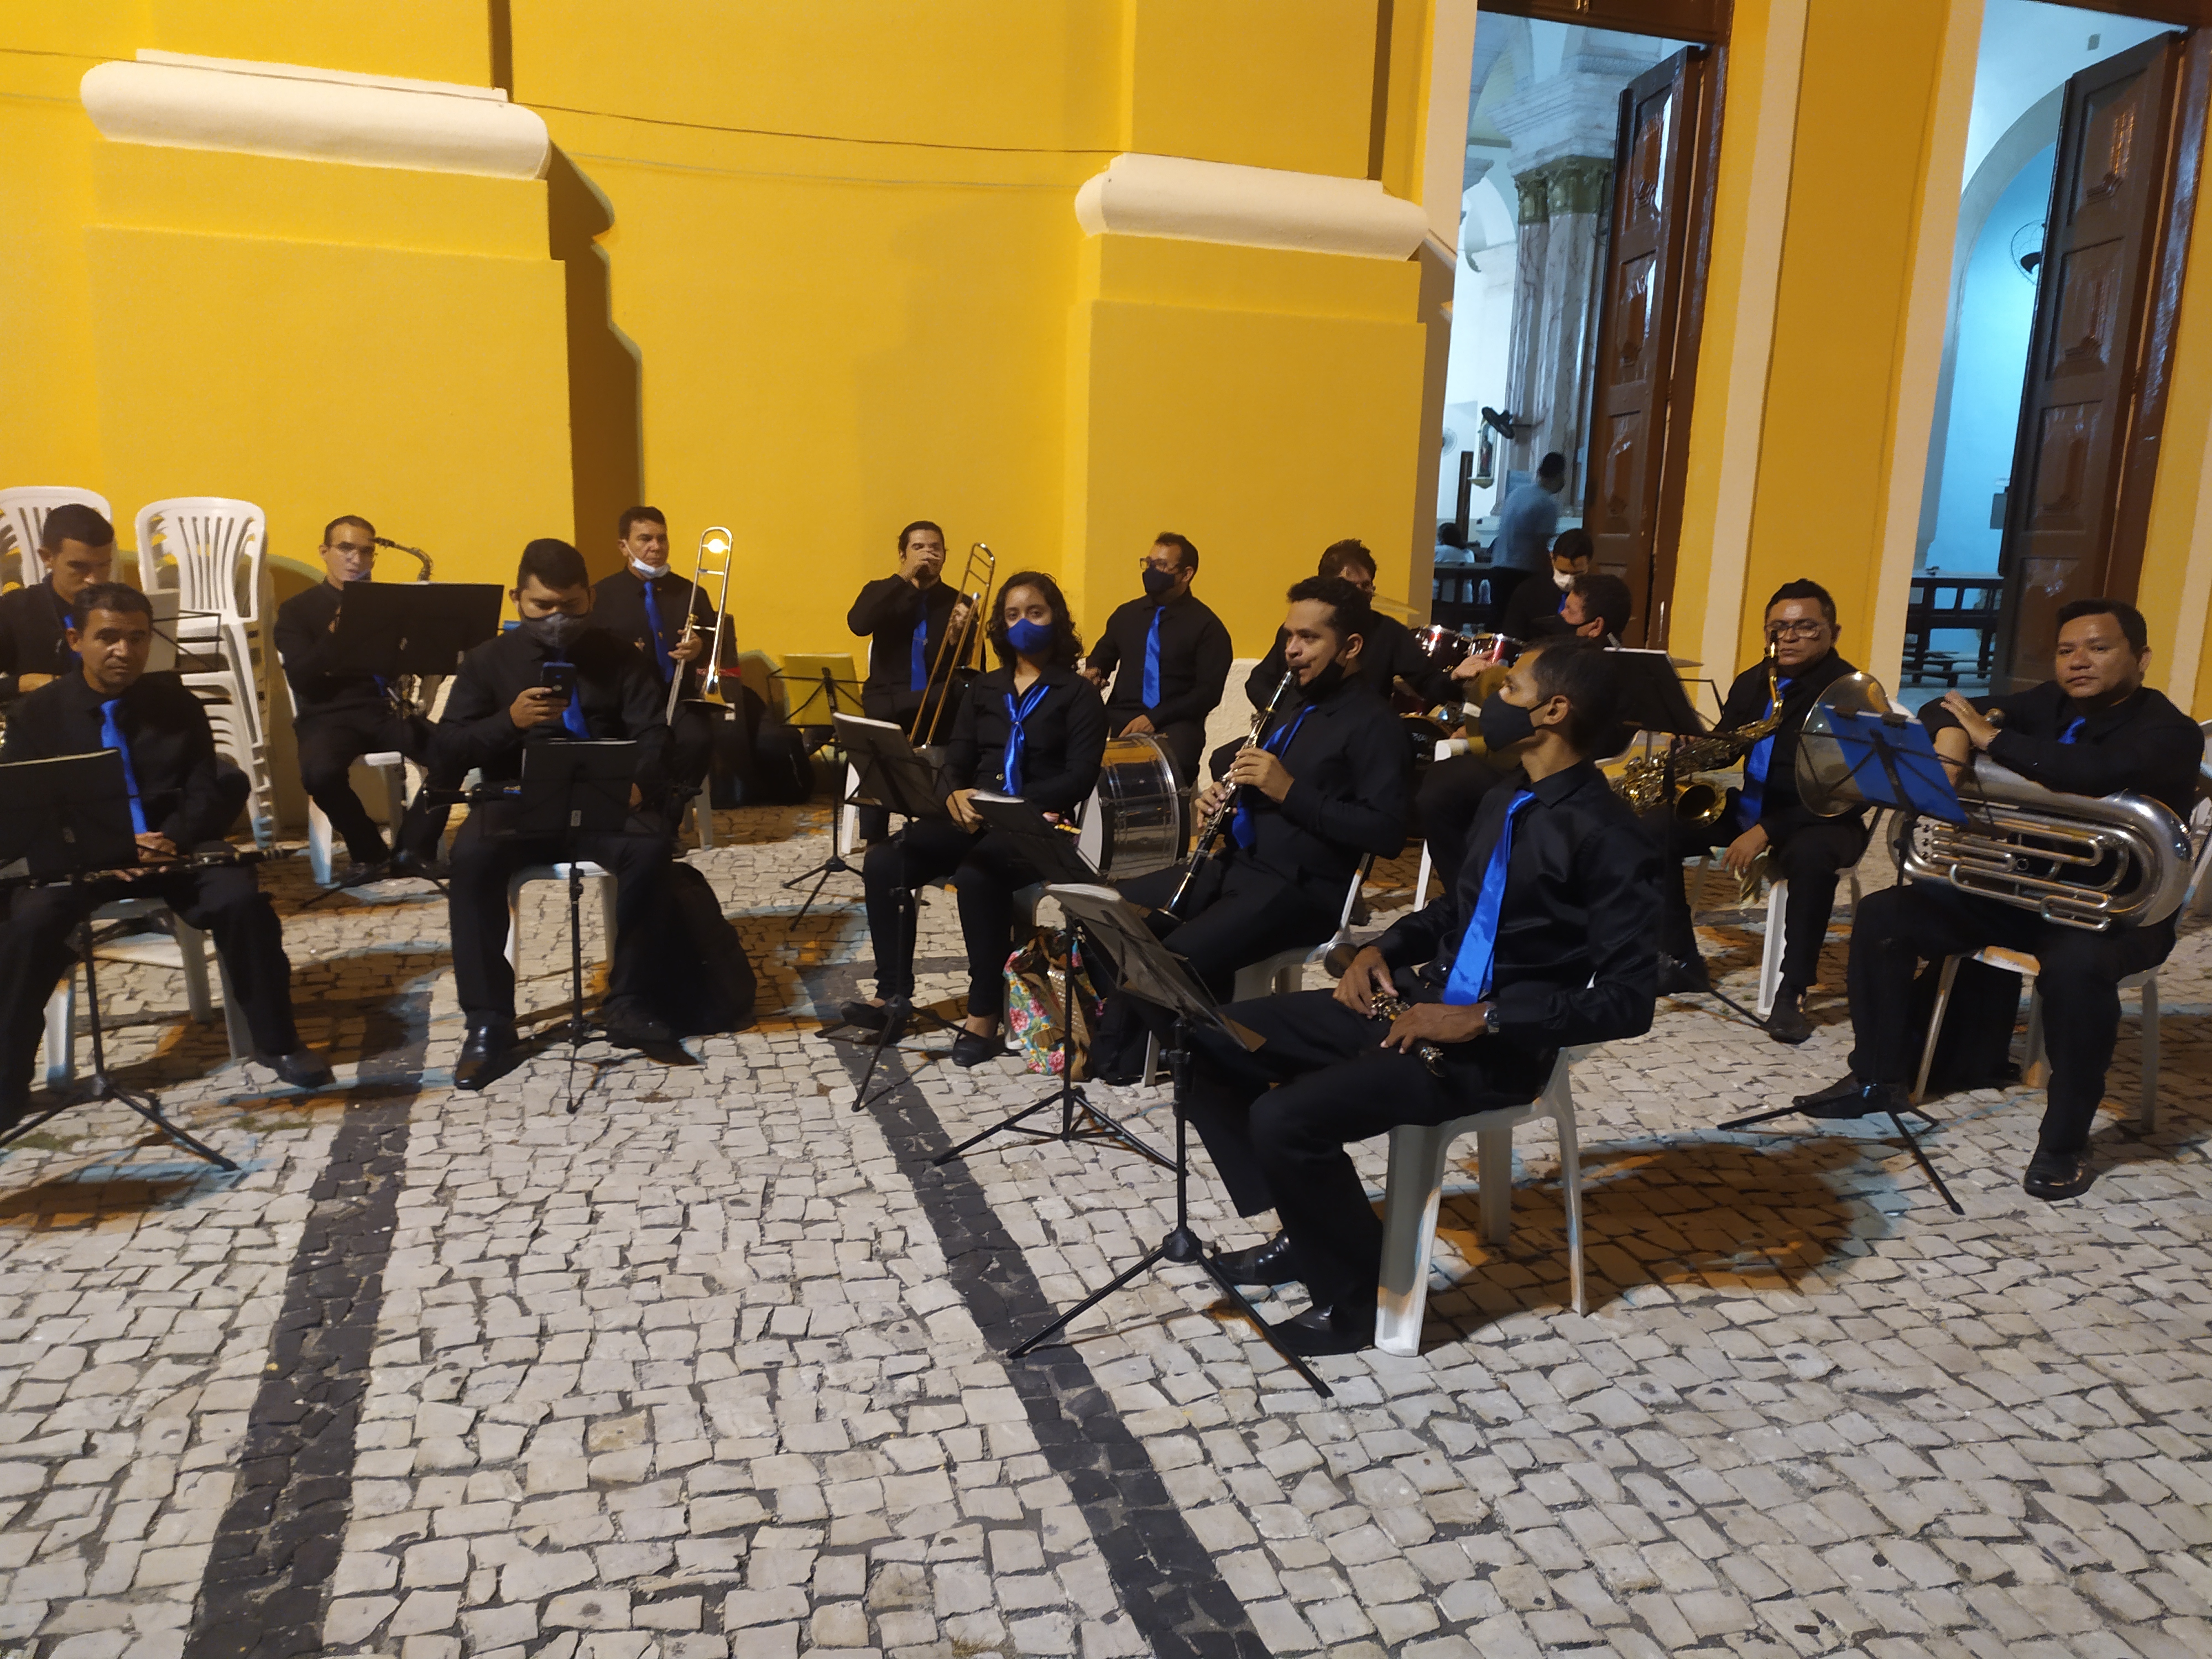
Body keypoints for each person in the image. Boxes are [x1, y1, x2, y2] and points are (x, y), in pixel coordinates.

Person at [1177, 638, 1659, 1354]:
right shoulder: (1505, 797)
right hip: (1415, 1004)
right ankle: (1312, 1232)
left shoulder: (1611, 837)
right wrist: (1384, 950)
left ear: (1554, 711)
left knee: (1285, 1117)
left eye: (1512, 688)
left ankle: (1356, 1301)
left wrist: (1483, 1018)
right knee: (1206, 1038)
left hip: (1494, 1049)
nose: (1495, 698)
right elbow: (1455, 911)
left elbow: (1629, 1001)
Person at [1793, 598, 2202, 1200]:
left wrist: (1994, 739)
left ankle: (2064, 1142)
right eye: (2066, 650)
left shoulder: (2171, 732)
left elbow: (2093, 771)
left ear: (2140, 658)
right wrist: (1956, 746)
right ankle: (1876, 1078)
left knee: (2074, 972)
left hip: (2113, 915)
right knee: (1884, 915)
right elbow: (1943, 705)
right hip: (2016, 892)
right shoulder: (2049, 703)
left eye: (2098, 648)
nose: (2078, 661)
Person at [0, 583, 333, 1123]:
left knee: (242, 901)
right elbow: (25, 812)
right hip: (84, 857)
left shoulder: (178, 704)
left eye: (137, 638)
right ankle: (7, 1083)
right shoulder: (35, 715)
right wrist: (107, 845)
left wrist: (171, 839)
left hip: (175, 848)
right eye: (108, 637)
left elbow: (205, 787)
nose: (124, 651)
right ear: (75, 640)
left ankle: (278, 1042)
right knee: (28, 924)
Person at [1092, 576, 1413, 1082]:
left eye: (1309, 638)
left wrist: (1289, 790)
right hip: (1240, 866)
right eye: (1289, 636)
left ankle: (1139, 1057)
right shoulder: (1292, 702)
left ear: (1350, 647)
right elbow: (1257, 782)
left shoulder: (1376, 724)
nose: (1292, 650)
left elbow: (1387, 832)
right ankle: (1135, 1044)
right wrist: (1221, 798)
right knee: (1107, 916)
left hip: (1300, 889)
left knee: (1177, 957)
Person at [431, 539, 677, 1089]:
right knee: (471, 856)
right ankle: (489, 1023)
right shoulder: (487, 661)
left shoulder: (622, 656)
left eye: (571, 606)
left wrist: (640, 784)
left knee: (652, 848)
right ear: (518, 598)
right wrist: (509, 722)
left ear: (591, 597)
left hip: (605, 798)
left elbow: (655, 734)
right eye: (542, 606)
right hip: (515, 801)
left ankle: (630, 1000)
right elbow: (446, 749)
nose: (557, 618)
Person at [841, 572, 1105, 1068]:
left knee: (978, 876)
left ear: (1056, 619)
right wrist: (954, 794)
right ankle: (892, 996)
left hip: (1037, 824)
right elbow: (956, 760)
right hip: (976, 817)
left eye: (1035, 613)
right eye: (1012, 615)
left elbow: (1079, 777)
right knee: (887, 860)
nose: (1022, 623)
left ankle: (984, 1012)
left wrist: (1010, 803)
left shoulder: (1077, 693)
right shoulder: (985, 687)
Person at [1651, 580, 1870, 1044]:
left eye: (1805, 627)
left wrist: (1767, 829)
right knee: (1652, 829)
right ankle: (1681, 959)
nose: (1787, 637)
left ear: (1833, 632)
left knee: (1811, 859)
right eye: (1777, 628)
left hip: (1822, 818)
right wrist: (1694, 747)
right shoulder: (1756, 679)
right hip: (1753, 807)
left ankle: (1793, 991)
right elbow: (1730, 749)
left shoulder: (1852, 694)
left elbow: (1851, 791)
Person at [1418, 571, 1632, 890]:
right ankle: (1468, 891)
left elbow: (1590, 743)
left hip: (1553, 775)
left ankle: (1481, 890)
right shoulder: (1555, 658)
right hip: (1520, 764)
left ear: (1595, 627)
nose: (1560, 616)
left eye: (1570, 611)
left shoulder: (1609, 679)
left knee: (1447, 789)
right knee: (1440, 786)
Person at [272, 514, 442, 884]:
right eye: (346, 549)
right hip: (326, 715)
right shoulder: (297, 610)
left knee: (453, 752)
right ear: (324, 551)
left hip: (384, 710)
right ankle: (368, 852)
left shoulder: (388, 604)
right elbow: (301, 676)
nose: (357, 559)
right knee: (319, 775)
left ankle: (414, 849)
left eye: (366, 552)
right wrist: (336, 632)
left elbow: (418, 655)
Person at [846, 520, 974, 841]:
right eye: (918, 547)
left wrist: (957, 637)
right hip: (888, 696)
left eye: (935, 548)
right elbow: (858, 624)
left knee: (960, 702)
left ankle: (942, 828)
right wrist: (904, 576)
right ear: (903, 554)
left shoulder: (959, 602)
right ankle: (875, 840)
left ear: (945, 555)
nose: (928, 554)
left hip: (934, 699)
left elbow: (963, 668)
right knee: (874, 740)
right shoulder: (880, 591)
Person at [591, 505, 719, 808]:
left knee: (697, 740)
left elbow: (718, 648)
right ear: (623, 546)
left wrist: (699, 648)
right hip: (625, 703)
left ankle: (667, 814)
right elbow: (589, 653)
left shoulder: (692, 593)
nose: (656, 547)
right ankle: (635, 811)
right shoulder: (600, 596)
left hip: (678, 698)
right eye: (645, 539)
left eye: (662, 539)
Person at [1080, 532, 1232, 785]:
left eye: (1161, 565)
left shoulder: (1207, 627)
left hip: (1175, 721)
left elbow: (1208, 693)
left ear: (1186, 574)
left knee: (1171, 767)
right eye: (1149, 563)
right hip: (1121, 715)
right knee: (1077, 752)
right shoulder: (1126, 615)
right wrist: (1093, 673)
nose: (1152, 571)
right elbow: (1103, 655)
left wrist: (1155, 718)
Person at [1244, 541, 1453, 712]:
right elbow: (1258, 682)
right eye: (1350, 586)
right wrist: (1285, 715)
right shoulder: (1301, 629)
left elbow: (1427, 681)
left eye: (1366, 586)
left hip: (1358, 734)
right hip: (1299, 729)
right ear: (1327, 585)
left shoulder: (1388, 631)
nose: (1361, 594)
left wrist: (1455, 680)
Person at [0, 502, 116, 705]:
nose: (94, 579)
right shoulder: (15, 610)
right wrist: (24, 683)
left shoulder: (124, 608)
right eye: (79, 567)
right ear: (47, 558)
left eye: (104, 565)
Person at [1499, 526, 1594, 641]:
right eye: (1562, 572)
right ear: (1552, 558)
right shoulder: (1528, 592)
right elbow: (1511, 638)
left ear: (1589, 564)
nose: (1569, 580)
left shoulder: (1596, 596)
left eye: (1577, 574)